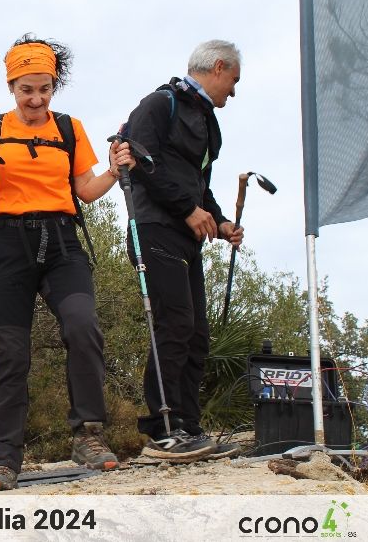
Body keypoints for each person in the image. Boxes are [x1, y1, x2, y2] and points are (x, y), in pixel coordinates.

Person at [0, 34, 135, 492]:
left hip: (61, 243)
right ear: (12, 86)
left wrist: (117, 171)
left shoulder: (68, 128)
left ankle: (88, 437)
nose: (36, 99)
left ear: (53, 86)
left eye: (44, 89)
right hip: (8, 246)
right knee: (10, 351)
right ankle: (4, 458)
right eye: (27, 90)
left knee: (82, 326)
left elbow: (86, 189)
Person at [122, 39, 244, 461]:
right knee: (173, 325)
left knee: (195, 334)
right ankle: (163, 431)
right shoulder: (160, 104)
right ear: (219, 66)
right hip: (154, 226)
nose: (234, 90)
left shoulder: (208, 122)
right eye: (233, 80)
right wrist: (187, 209)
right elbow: (139, 158)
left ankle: (191, 428)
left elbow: (199, 183)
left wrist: (220, 220)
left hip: (186, 234)